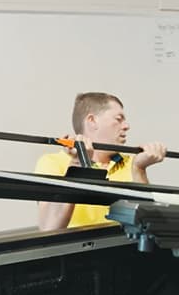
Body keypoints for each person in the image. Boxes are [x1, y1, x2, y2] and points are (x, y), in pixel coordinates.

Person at [34, 92, 166, 230]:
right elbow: (50, 227)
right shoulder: (52, 162)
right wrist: (78, 163)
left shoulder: (133, 163)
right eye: (119, 119)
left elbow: (147, 227)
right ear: (92, 121)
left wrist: (139, 169)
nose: (126, 126)